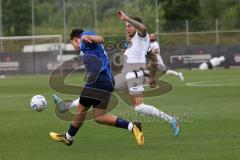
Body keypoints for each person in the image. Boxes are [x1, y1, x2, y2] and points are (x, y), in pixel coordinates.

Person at [50, 28, 144, 146]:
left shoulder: (85, 37)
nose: (74, 46)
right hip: (107, 82)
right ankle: (132, 126)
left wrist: (88, 38)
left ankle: (68, 137)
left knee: (82, 109)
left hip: (99, 79)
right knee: (99, 116)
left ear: (75, 39)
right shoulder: (85, 48)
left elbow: (101, 39)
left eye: (72, 44)